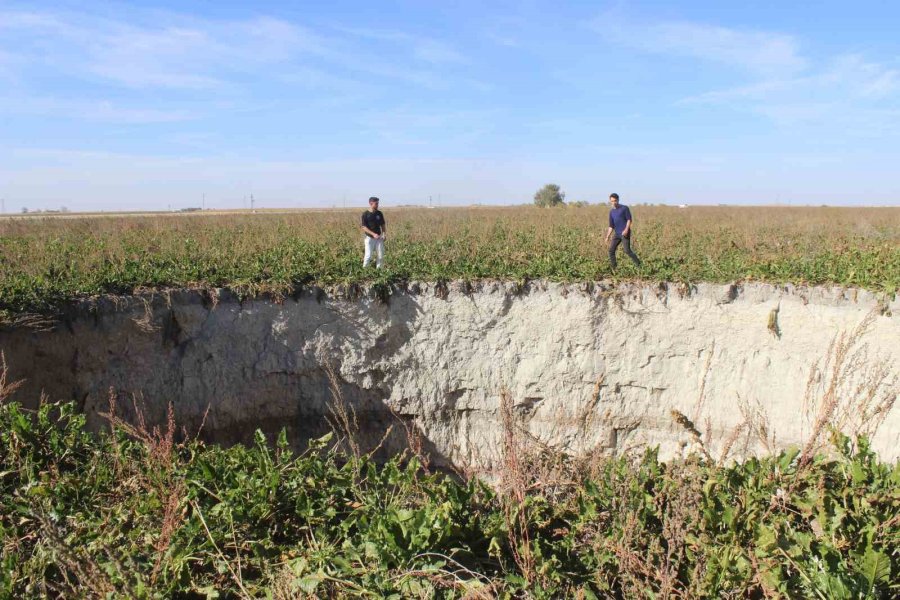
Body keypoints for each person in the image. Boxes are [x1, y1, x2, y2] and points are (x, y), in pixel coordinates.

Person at [604, 193, 641, 270]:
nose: (613, 203)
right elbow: (611, 226)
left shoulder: (624, 208)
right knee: (611, 250)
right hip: (617, 234)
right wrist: (607, 236)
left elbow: (629, 219)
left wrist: (626, 229)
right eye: (612, 201)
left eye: (615, 201)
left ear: (618, 200)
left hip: (625, 233)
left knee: (627, 251)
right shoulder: (611, 212)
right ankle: (614, 269)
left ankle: (639, 265)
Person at [360, 196, 386, 268]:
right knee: (368, 255)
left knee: (380, 255)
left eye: (378, 203)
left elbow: (383, 224)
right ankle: (365, 271)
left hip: (379, 237)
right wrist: (373, 234)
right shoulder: (365, 214)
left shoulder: (379, 213)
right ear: (370, 203)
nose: (377, 205)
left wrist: (384, 234)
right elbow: (364, 227)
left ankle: (380, 271)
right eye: (376, 203)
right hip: (369, 238)